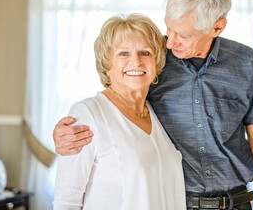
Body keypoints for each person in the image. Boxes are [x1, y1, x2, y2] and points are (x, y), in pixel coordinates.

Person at [53, 0, 253, 210]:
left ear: (217, 27)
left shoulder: (248, 64)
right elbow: (115, 96)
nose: (170, 43)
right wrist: (68, 132)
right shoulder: (151, 53)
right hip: (180, 202)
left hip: (237, 202)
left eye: (183, 34)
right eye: (169, 28)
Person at [52, 13, 186, 209]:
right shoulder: (88, 113)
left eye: (145, 52)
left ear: (156, 63)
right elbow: (66, 201)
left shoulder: (155, 113)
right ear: (107, 65)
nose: (137, 62)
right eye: (124, 53)